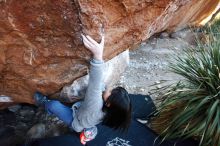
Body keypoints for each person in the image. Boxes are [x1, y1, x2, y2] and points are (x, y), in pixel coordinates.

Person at [34, 33, 132, 145]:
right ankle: (88, 130)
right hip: (88, 119)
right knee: (88, 121)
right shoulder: (111, 112)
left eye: (111, 92)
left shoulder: (96, 105)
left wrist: (98, 55)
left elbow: (95, 82)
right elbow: (101, 88)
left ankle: (44, 105)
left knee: (53, 105)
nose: (109, 89)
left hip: (76, 120)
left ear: (108, 104)